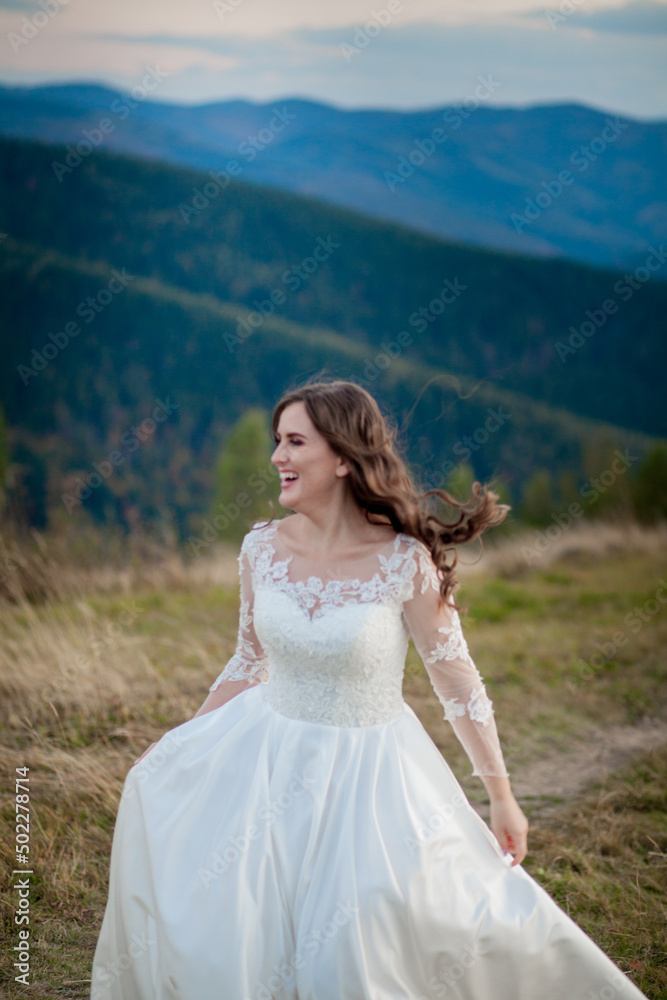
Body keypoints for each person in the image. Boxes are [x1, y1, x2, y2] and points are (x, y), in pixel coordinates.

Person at [91, 379, 647, 1000]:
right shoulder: (259, 549)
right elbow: (248, 661)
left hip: (370, 779)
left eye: (295, 441)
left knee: (362, 953)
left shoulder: (406, 561)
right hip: (265, 766)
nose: (277, 456)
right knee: (246, 932)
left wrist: (501, 796)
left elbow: (458, 683)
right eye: (277, 441)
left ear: (343, 458)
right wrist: (181, 742)